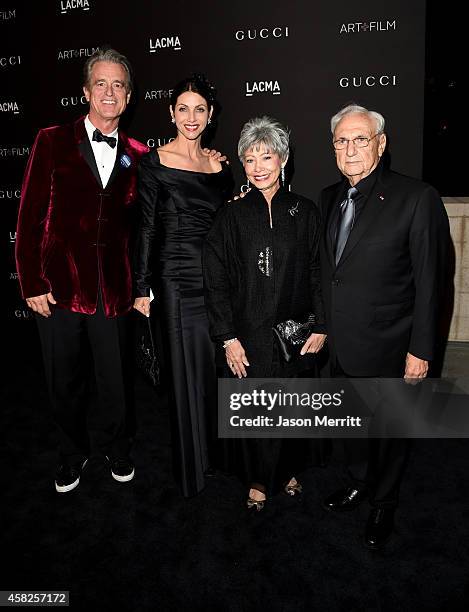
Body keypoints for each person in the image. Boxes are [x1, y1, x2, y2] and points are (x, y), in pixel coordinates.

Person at [15, 47, 149, 492]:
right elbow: (29, 215)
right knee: (63, 383)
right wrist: (31, 280)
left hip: (114, 292)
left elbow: (150, 226)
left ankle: (118, 447)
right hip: (58, 289)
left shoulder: (139, 154)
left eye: (118, 85)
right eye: (101, 83)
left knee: (116, 383)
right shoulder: (51, 140)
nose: (109, 92)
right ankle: (72, 454)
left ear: (128, 97)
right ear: (86, 92)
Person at [319, 103, 450, 548]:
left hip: (393, 346)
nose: (350, 149)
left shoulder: (417, 198)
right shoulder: (328, 197)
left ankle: (384, 504)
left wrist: (423, 349)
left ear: (381, 144)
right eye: (341, 140)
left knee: (390, 433)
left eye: (361, 139)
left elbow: (433, 282)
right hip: (341, 344)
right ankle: (359, 483)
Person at [203, 116, 327, 511]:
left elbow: (317, 270)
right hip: (248, 332)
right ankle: (257, 479)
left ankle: (287, 468)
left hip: (293, 333)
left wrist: (321, 324)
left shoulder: (305, 212)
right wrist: (227, 337)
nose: (258, 166)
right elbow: (215, 277)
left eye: (267, 156)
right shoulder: (231, 215)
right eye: (250, 158)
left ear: (283, 159)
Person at [133, 74, 233, 498]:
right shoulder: (154, 163)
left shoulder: (220, 166)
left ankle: (212, 457)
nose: (191, 117)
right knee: (182, 374)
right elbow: (145, 228)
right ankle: (191, 472)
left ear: (210, 116)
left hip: (214, 281)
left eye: (199, 109)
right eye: (183, 108)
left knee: (210, 372)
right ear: (171, 113)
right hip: (175, 280)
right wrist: (141, 287)